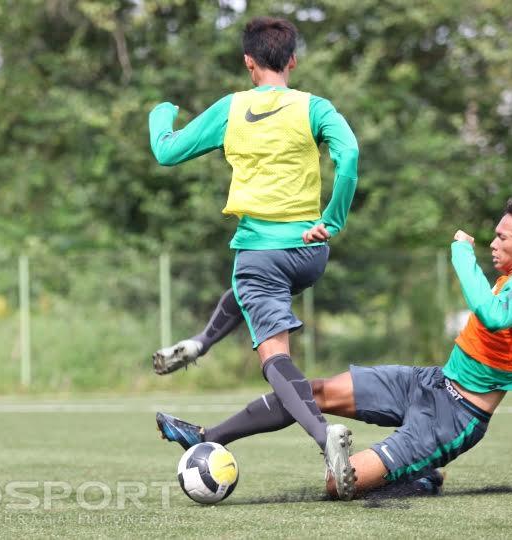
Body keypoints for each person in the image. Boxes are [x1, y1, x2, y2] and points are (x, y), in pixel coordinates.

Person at [156, 196, 512, 500]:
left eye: (502, 237)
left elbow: (493, 314)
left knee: (338, 484)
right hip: (430, 383)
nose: (493, 243)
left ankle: (421, 477)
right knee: (314, 392)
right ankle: (206, 436)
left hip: (454, 418)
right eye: (493, 236)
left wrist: (461, 256)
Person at [148, 16, 360, 497]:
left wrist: (160, 112)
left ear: (248, 63)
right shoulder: (315, 107)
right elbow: (349, 155)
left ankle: (324, 437)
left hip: (260, 253)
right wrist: (335, 217)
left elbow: (167, 152)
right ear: (292, 61)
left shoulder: (232, 108)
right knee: (253, 294)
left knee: (277, 363)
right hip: (310, 251)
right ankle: (202, 343)